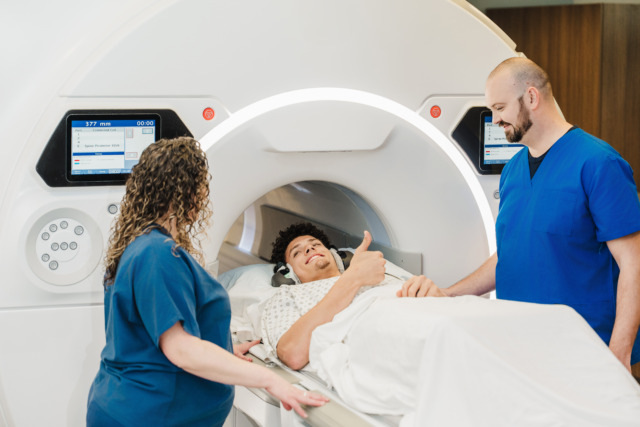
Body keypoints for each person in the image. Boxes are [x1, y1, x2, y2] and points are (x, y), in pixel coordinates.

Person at [413, 57, 640, 376]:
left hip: (586, 349)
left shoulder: (598, 164)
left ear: (531, 97)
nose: (494, 120)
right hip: (520, 343)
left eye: (500, 107)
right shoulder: (513, 171)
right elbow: (510, 255)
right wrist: (447, 294)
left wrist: (619, 353)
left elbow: (634, 264)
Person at [86, 138, 327, 426]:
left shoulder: (144, 245)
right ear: (188, 193)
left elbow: (149, 333)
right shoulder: (157, 254)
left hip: (141, 406)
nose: (203, 198)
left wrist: (220, 347)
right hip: (150, 413)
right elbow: (181, 350)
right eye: (201, 188)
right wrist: (270, 380)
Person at [264, 222, 441, 370]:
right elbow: (292, 353)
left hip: (428, 317)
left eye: (316, 244)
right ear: (287, 272)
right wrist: (352, 279)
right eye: (297, 252)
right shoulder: (287, 295)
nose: (310, 248)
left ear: (336, 255)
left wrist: (432, 294)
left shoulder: (372, 271)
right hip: (393, 335)